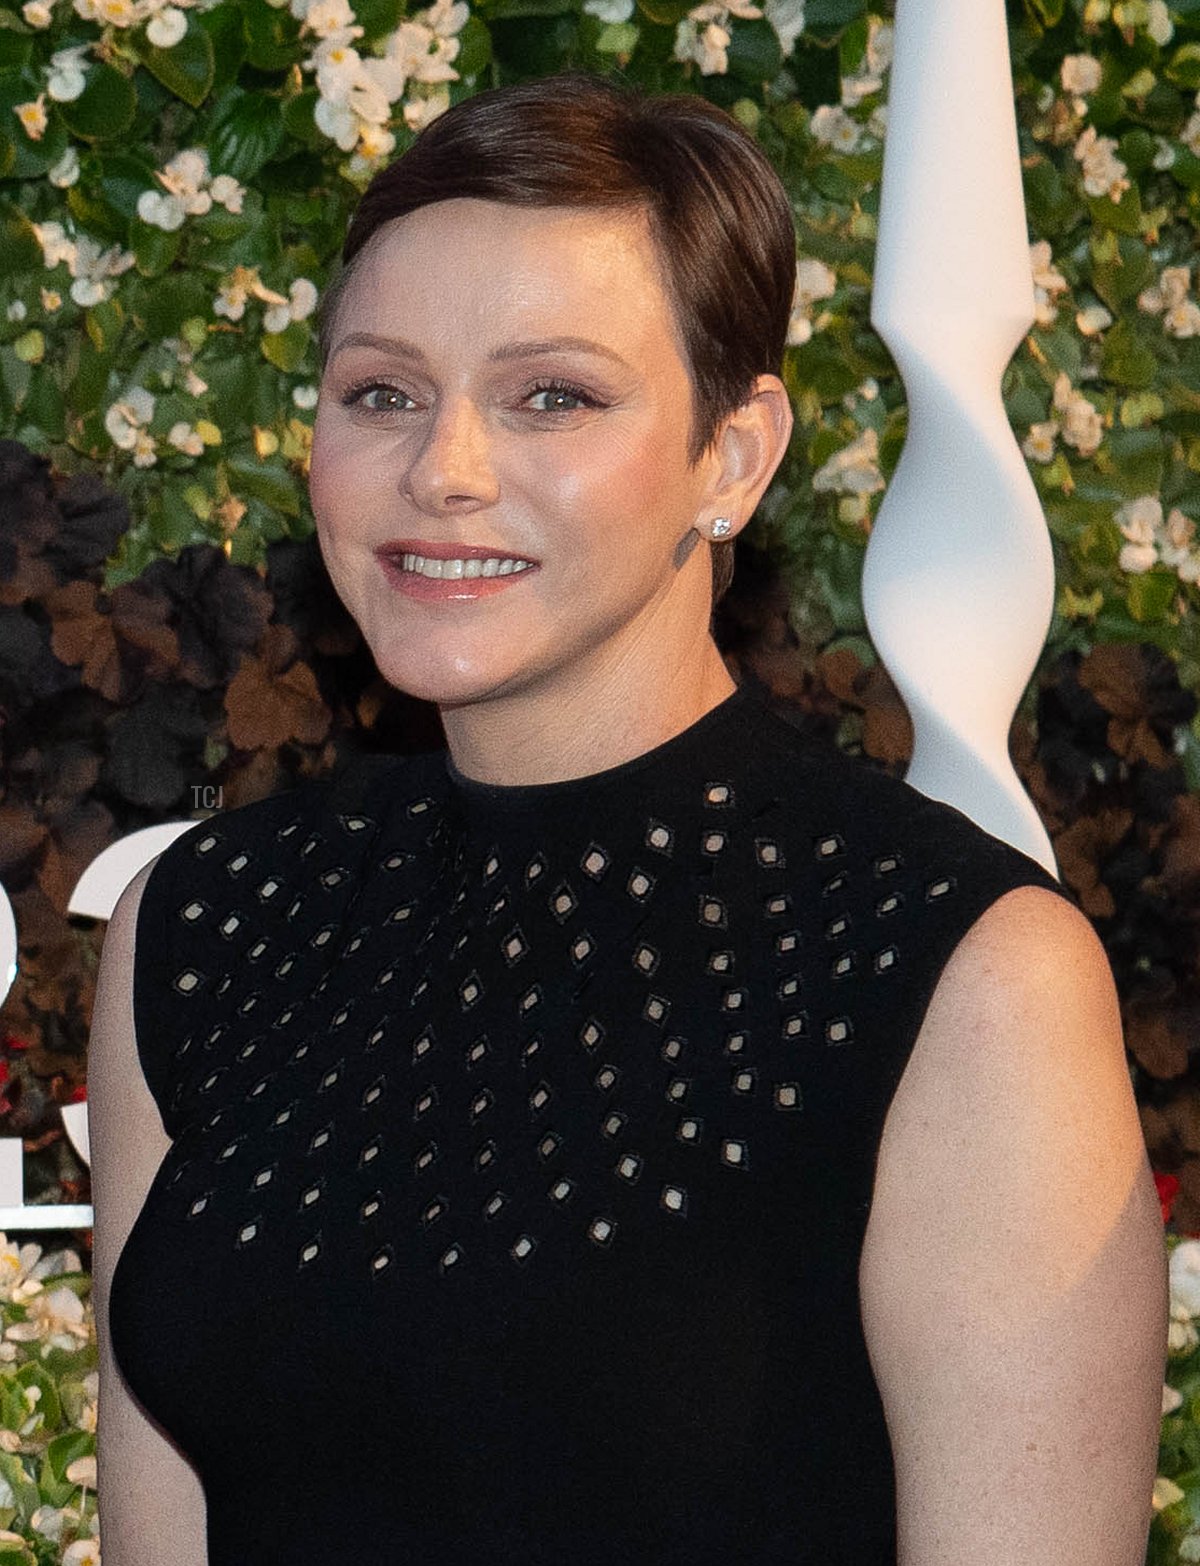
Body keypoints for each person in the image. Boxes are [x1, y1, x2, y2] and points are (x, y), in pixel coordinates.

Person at [89, 69, 1166, 1566]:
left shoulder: (962, 972)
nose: (443, 468)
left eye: (554, 396)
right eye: (380, 392)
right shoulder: (205, 926)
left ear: (730, 456)